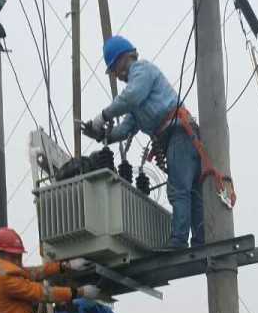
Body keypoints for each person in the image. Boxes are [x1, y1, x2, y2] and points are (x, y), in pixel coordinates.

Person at [83, 35, 204, 250]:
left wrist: (103, 116)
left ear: (123, 59)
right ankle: (199, 240)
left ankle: (179, 240)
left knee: (179, 189)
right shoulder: (137, 100)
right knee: (191, 191)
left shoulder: (142, 71)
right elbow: (126, 128)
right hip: (177, 138)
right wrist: (102, 136)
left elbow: (131, 97)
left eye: (113, 68)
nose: (115, 75)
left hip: (179, 133)